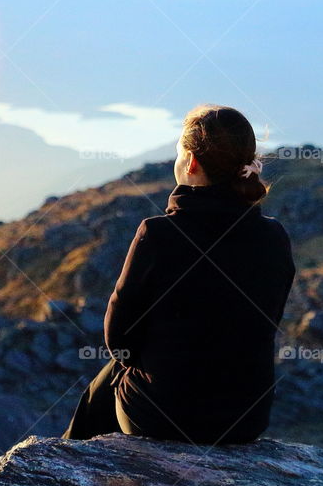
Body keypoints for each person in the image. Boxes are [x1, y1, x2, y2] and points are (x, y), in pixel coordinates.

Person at [62, 104, 295, 444]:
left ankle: (63, 468)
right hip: (245, 420)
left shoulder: (158, 234)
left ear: (191, 162)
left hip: (165, 417)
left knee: (107, 383)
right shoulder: (274, 237)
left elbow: (119, 339)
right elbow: (264, 323)